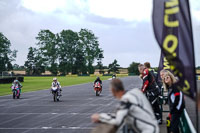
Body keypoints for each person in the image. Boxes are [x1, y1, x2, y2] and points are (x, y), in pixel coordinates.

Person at [91, 79, 159, 133]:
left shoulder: (126, 100)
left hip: (148, 130)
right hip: (153, 127)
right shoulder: (135, 92)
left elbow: (118, 120)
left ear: (112, 90)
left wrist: (100, 117)